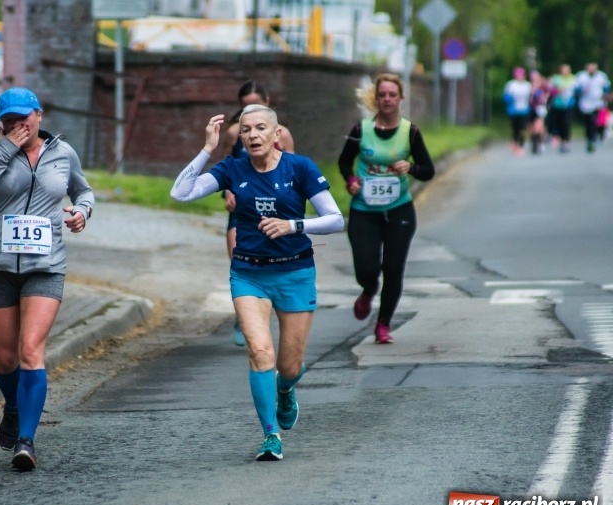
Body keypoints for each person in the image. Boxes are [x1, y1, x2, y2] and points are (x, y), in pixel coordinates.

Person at [171, 104, 344, 461]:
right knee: (260, 351)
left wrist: (294, 225)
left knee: (290, 366)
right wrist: (207, 149)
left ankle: (285, 389)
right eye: (246, 130)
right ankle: (270, 434)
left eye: (260, 128)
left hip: (295, 271)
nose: (252, 135)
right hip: (249, 273)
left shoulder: (300, 168)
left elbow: (336, 219)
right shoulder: (233, 169)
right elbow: (181, 193)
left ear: (276, 134)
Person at [0, 87, 94, 471]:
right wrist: (4, 152)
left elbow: (83, 190)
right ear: (0, 124)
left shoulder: (62, 153)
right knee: (5, 360)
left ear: (39, 115)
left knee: (31, 350)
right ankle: (14, 407)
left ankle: (27, 441)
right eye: (9, 121)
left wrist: (82, 211)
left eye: (25, 118)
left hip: (46, 265)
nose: (18, 126)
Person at [337, 73, 435, 344]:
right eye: (382, 95)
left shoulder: (410, 131)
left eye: (393, 95)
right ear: (376, 98)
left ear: (401, 99)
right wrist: (352, 180)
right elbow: (344, 162)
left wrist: (411, 167)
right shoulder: (361, 130)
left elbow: (428, 170)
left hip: (399, 210)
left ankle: (383, 324)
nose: (387, 99)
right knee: (366, 268)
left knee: (393, 268)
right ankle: (368, 289)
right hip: (364, 211)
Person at [216, 80, 295, 347]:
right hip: (242, 207)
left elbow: (293, 171)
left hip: (274, 209)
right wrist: (227, 191)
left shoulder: (281, 134)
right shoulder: (234, 133)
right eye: (246, 106)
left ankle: (275, 309)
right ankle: (244, 313)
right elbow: (226, 166)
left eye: (256, 105)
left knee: (275, 263)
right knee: (239, 259)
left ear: (268, 102)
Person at [574, 62, 611, 153]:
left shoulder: (601, 76)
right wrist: (581, 90)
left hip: (598, 102)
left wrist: (606, 95)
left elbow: (606, 87)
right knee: (588, 122)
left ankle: (595, 136)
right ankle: (590, 138)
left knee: (596, 121)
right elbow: (576, 88)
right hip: (586, 103)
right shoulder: (581, 76)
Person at [502, 67, 532, 156]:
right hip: (514, 110)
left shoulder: (527, 85)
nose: (520, 77)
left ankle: (521, 146)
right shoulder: (511, 85)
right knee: (515, 128)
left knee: (522, 129)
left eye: (522, 75)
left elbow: (531, 97)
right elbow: (506, 97)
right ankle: (515, 142)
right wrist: (509, 99)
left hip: (524, 110)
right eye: (518, 75)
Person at [547, 64, 576, 153]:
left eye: (566, 70)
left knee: (566, 123)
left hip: (568, 105)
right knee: (558, 123)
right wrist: (558, 90)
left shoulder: (573, 79)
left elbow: (578, 89)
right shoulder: (556, 79)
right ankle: (560, 138)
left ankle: (566, 141)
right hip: (558, 105)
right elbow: (550, 90)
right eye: (563, 70)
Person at [528, 70, 550, 154]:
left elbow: (548, 95)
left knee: (539, 127)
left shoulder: (543, 87)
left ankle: (539, 143)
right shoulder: (529, 86)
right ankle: (534, 142)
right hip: (531, 109)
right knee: (532, 128)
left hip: (540, 109)